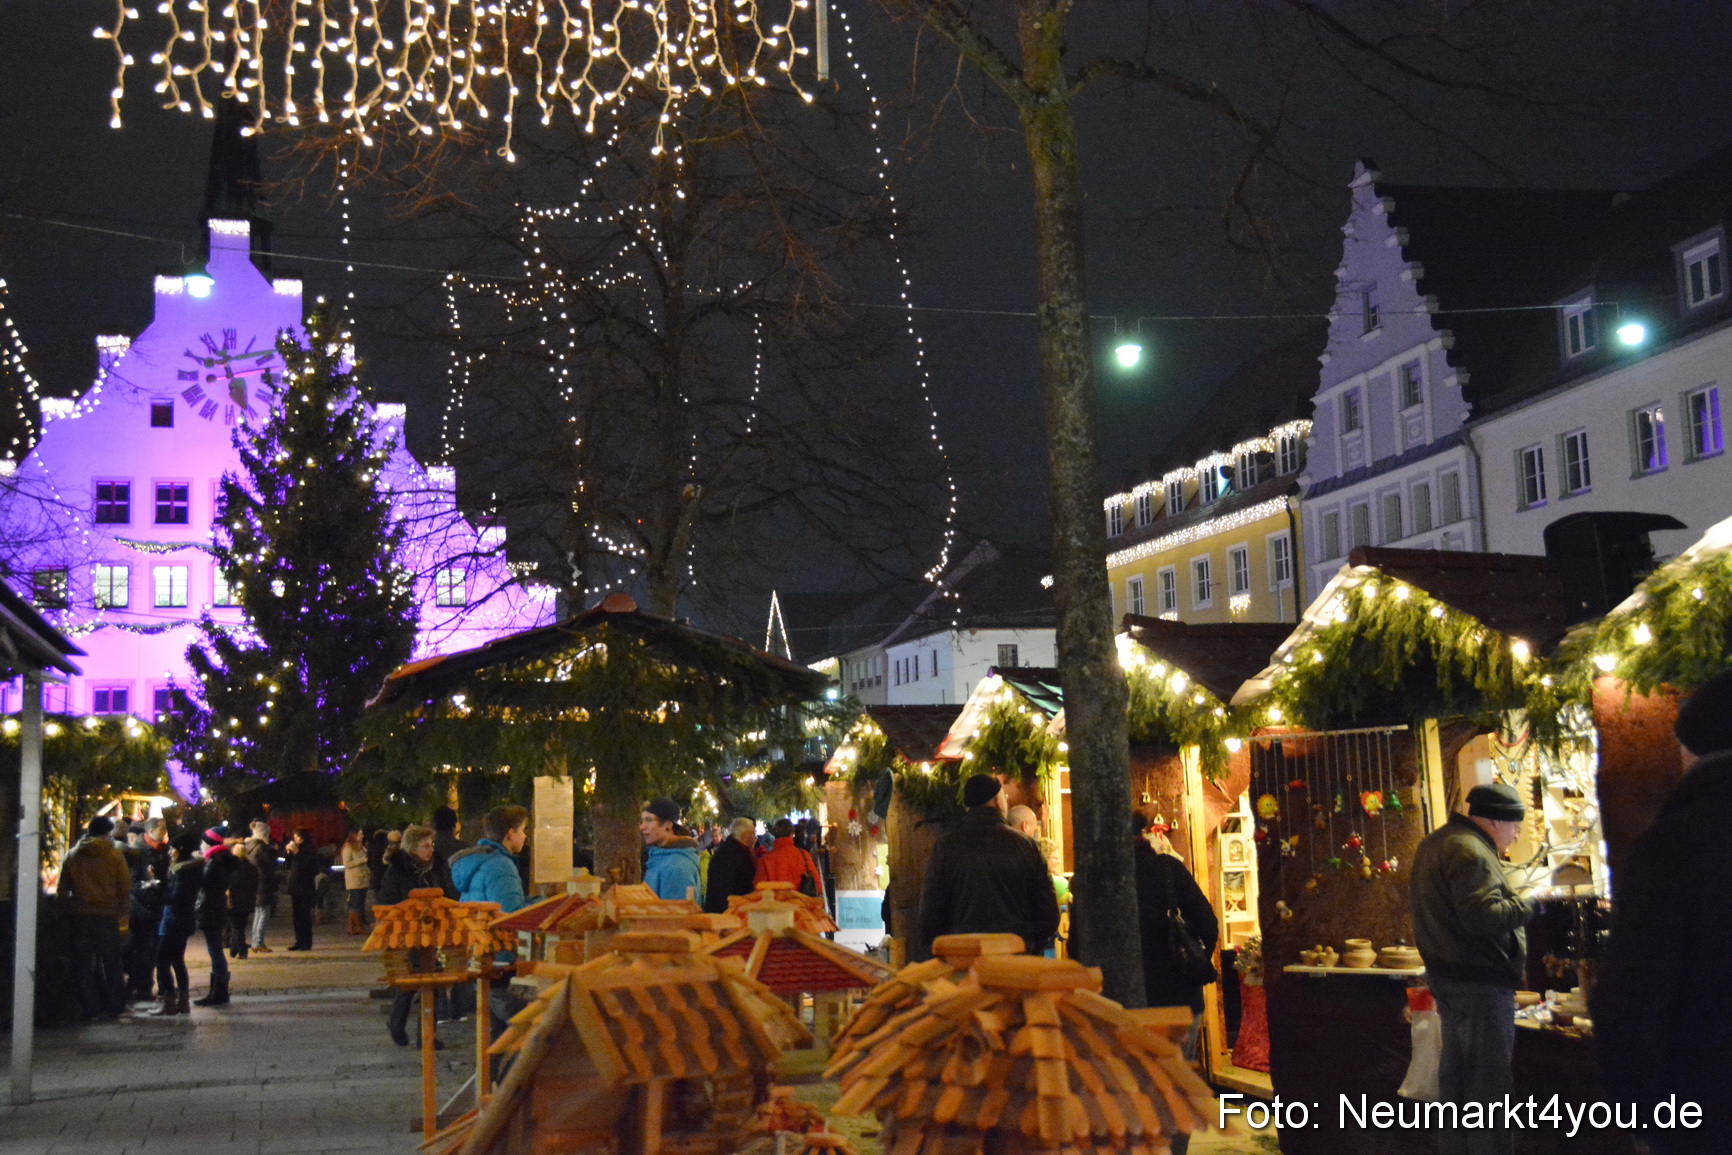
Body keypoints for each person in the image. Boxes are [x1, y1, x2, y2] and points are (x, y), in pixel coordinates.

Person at [1593, 671, 1732, 1152]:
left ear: (1689, 751)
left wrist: (1640, 1115)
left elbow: (1634, 996)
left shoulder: (1672, 848)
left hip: (1706, 1106)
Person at [1410, 782, 1537, 1155]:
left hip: (1451, 980)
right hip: (1479, 986)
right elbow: (1482, 917)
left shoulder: (1437, 843)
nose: (1516, 834)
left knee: (1458, 1086)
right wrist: (1530, 903)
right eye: (1515, 826)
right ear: (1496, 821)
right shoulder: (1470, 851)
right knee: (1488, 1092)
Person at [1133, 816, 1217, 1153]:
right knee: (1177, 1082)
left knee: (1134, 1085)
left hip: (1125, 1001)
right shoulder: (1168, 870)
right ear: (1144, 836)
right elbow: (1208, 923)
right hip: (1179, 997)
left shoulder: (1099, 879)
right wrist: (1191, 959)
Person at [916, 774, 1060, 960]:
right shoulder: (1027, 846)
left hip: (964, 958)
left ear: (968, 807)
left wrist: (946, 954)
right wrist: (1028, 946)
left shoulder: (946, 847)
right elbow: (1048, 913)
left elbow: (930, 913)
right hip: (1016, 958)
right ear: (998, 802)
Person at [452, 805, 529, 1039]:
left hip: (479, 956)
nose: (525, 836)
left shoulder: (479, 861)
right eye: (522, 830)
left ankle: (493, 1064)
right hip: (499, 959)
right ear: (510, 834)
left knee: (493, 1035)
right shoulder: (501, 866)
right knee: (520, 1031)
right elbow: (510, 916)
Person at [379, 823, 457, 1047]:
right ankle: (397, 1024)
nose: (430, 850)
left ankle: (427, 1036)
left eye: (431, 845)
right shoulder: (397, 870)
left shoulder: (438, 866)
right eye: (425, 846)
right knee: (411, 981)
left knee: (433, 982)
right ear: (411, 848)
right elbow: (387, 901)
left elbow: (449, 893)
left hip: (435, 933)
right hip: (408, 934)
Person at [57, 815, 133, 1021]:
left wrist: (69, 909)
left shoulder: (73, 854)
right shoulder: (114, 855)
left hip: (80, 916)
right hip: (107, 916)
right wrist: (122, 914)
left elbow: (62, 889)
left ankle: (90, 1008)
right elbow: (125, 887)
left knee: (84, 965)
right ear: (107, 833)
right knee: (112, 964)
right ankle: (115, 1006)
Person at [153, 832, 205, 1016]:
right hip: (183, 920)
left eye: (173, 849)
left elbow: (177, 898)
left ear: (180, 851)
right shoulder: (190, 869)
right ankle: (183, 1001)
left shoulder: (183, 872)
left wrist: (158, 892)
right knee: (177, 959)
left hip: (174, 921)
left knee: (161, 960)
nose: (170, 852)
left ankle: (168, 1000)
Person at [125, 817, 171, 1001]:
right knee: (143, 948)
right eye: (162, 829)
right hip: (143, 908)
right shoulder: (139, 852)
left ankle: (143, 985)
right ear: (150, 831)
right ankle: (141, 986)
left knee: (150, 949)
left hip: (155, 907)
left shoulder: (161, 850)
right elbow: (135, 882)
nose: (165, 832)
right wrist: (150, 897)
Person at [194, 829, 239, 1006]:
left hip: (210, 910)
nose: (201, 845)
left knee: (215, 950)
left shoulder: (214, 863)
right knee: (215, 949)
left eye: (203, 842)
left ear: (210, 843)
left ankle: (218, 993)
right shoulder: (222, 860)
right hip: (216, 909)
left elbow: (203, 884)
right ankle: (218, 992)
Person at [639, 798, 701, 902]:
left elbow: (677, 911)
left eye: (649, 820)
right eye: (642, 820)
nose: (642, 827)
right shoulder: (658, 857)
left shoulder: (677, 867)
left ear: (668, 824)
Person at [754, 818, 825, 900]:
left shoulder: (765, 859)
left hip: (775, 906)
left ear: (774, 835)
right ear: (792, 834)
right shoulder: (803, 855)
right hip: (800, 905)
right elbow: (817, 885)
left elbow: (758, 890)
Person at [704, 818, 759, 914]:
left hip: (732, 909)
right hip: (728, 912)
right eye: (753, 834)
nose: (755, 838)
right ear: (744, 836)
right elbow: (722, 889)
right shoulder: (731, 854)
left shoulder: (734, 850)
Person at [284, 828, 321, 950]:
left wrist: (298, 853)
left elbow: (313, 869)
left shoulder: (309, 850)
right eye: (294, 837)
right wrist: (288, 852)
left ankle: (306, 942)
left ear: (303, 838)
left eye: (297, 837)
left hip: (305, 887)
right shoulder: (296, 850)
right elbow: (288, 864)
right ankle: (299, 941)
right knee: (297, 916)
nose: (295, 840)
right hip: (295, 886)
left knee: (305, 916)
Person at [244, 822, 278, 953]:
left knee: (258, 912)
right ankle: (258, 942)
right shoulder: (262, 847)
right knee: (264, 912)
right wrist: (274, 851)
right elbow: (270, 863)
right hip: (263, 882)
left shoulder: (249, 845)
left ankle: (255, 941)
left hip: (253, 882)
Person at [340, 827, 372, 935]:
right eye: (360, 834)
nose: (362, 836)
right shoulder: (348, 848)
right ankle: (358, 926)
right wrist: (362, 860)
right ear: (354, 835)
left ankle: (351, 927)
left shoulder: (361, 847)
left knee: (359, 903)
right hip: (354, 879)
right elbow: (347, 864)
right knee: (355, 903)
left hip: (362, 878)